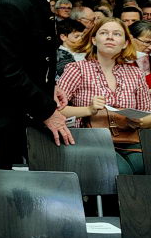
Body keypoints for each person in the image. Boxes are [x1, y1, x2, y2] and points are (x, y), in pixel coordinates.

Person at [0, 0, 78, 172]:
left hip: (24, 111)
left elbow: (34, 57)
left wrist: (49, 86)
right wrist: (47, 111)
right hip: (8, 119)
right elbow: (8, 71)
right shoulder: (12, 2)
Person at [57, 17, 151, 175]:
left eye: (117, 34)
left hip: (129, 139)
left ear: (125, 43)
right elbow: (56, 110)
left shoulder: (135, 73)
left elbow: (148, 114)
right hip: (89, 141)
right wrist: (88, 110)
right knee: (121, 171)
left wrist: (139, 121)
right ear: (94, 40)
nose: (110, 37)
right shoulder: (77, 69)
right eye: (104, 33)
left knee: (143, 165)